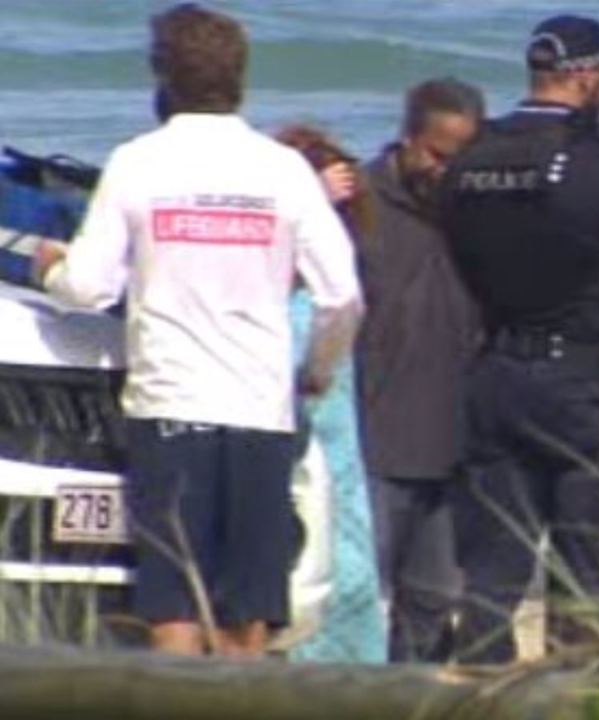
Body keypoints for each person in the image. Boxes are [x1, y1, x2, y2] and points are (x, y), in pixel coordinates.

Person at [32, 4, 362, 658]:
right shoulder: (282, 170)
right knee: (250, 613)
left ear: (163, 79)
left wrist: (51, 270)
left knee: (174, 605)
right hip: (259, 407)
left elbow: (91, 287)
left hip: (171, 404)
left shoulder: (138, 162)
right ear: (239, 78)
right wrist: (318, 372)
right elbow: (343, 296)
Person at [438, 15, 599, 663]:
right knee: (593, 576)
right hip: (582, 382)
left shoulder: (471, 162)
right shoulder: (596, 167)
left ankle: (478, 702)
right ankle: (587, 701)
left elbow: (459, 260)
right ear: (586, 76)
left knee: (492, 575)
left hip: (495, 373)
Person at [355, 78, 484, 663]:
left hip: (457, 441)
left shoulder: (482, 212)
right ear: (407, 138)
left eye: (460, 160)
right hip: (372, 438)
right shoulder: (357, 202)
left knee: (432, 602)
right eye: (436, 154)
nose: (445, 171)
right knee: (356, 592)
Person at [275, 124, 386, 664]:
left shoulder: (324, 289)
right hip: (303, 445)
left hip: (332, 446)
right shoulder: (278, 293)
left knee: (346, 576)